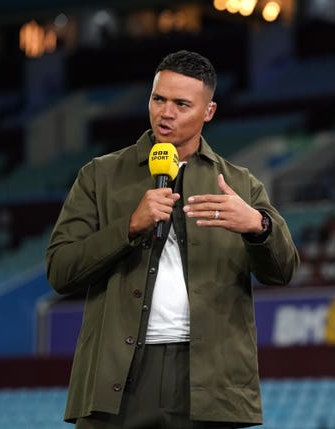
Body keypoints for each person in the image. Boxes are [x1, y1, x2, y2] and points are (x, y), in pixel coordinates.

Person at [46, 50, 300, 428]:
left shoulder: (240, 184)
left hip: (209, 382)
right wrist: (129, 227)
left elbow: (283, 272)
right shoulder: (99, 176)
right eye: (158, 99)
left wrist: (258, 226)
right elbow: (60, 270)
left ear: (208, 112)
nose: (166, 113)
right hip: (119, 377)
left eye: (182, 104)